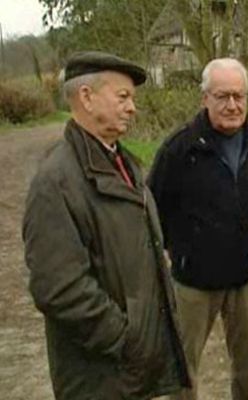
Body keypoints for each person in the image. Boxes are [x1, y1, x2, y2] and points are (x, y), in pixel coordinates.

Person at [22, 51, 190, 400]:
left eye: (133, 99)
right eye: (123, 97)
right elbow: (59, 289)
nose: (132, 108)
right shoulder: (56, 181)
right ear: (86, 97)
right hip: (100, 377)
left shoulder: (123, 162)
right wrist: (126, 339)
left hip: (130, 373)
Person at [148, 58, 248, 400]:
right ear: (204, 97)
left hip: (246, 281)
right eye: (222, 96)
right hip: (194, 285)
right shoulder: (178, 150)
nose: (232, 105)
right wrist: (184, 251)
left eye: (239, 96)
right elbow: (154, 210)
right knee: (184, 369)